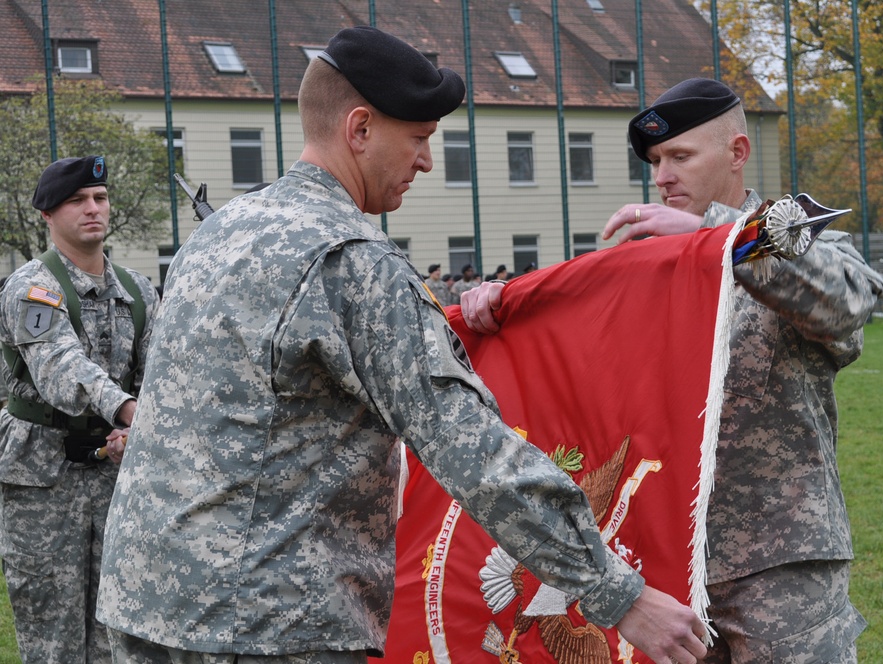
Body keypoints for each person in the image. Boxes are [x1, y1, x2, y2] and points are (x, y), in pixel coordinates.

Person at [96, 27, 707, 664]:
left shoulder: (216, 235)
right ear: (359, 130)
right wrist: (621, 595)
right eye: (418, 138)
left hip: (147, 604)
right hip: (264, 624)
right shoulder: (350, 260)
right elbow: (472, 449)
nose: (426, 162)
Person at [462, 78, 883, 663]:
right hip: (663, 563)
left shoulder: (790, 241)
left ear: (737, 153)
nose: (662, 175)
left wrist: (724, 241)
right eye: (656, 160)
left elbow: (850, 302)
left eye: (680, 156)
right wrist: (506, 306)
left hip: (780, 558)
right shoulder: (645, 261)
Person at [0, 155, 159, 664]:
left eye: (100, 197)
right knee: (54, 637)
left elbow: (159, 374)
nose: (93, 208)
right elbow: (60, 368)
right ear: (47, 215)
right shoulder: (31, 287)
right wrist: (130, 411)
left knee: (120, 630)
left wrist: (136, 429)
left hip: (115, 475)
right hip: (42, 482)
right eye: (76, 201)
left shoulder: (138, 291)